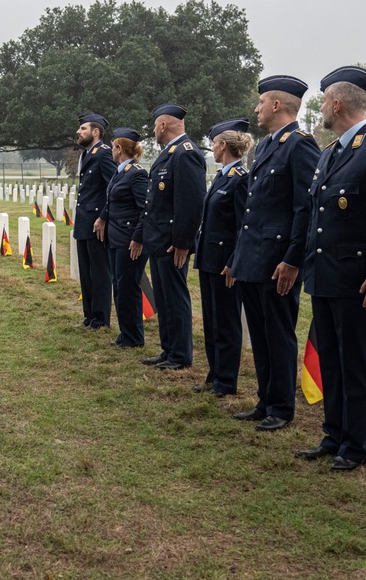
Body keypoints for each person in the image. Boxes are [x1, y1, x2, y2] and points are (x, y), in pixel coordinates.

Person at [296, 67, 366, 470]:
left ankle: (355, 446)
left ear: (337, 104)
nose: (322, 109)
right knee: (332, 360)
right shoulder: (331, 153)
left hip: (360, 282)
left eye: (324, 101)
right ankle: (334, 434)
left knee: (357, 364)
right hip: (326, 276)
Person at [230, 76, 320, 430]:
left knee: (278, 335)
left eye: (261, 102)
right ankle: (265, 399)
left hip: (278, 260)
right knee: (261, 333)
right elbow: (254, 208)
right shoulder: (267, 146)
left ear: (277, 105)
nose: (257, 108)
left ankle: (281, 407)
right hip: (254, 258)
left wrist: (293, 259)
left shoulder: (300, 146)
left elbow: (304, 208)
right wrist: (239, 258)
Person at [131, 103, 206, 370]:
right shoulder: (169, 154)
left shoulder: (185, 154)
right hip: (158, 240)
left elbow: (191, 203)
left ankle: (180, 354)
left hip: (173, 243)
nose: (153, 130)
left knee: (175, 298)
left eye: (155, 125)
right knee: (163, 298)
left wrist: (183, 242)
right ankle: (168, 349)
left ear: (163, 125)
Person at [193, 118, 251, 397]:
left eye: (214, 143)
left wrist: (234, 261)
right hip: (208, 258)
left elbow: (242, 226)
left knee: (226, 322)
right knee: (211, 319)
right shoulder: (221, 176)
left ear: (223, 145)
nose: (212, 149)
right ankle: (214, 372)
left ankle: (226, 380)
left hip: (224, 262)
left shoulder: (240, 180)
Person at [95, 127, 149, 349]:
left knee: (128, 288)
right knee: (120, 286)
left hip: (129, 241)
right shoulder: (121, 171)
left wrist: (138, 238)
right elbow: (113, 199)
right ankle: (125, 334)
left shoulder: (137, 173)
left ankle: (133, 337)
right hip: (116, 238)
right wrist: (103, 218)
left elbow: (145, 209)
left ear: (118, 149)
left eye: (113, 146)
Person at [73, 113, 116, 330]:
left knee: (98, 272)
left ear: (95, 132)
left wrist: (103, 217)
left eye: (83, 129)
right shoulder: (88, 154)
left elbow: (113, 189)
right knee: (86, 271)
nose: (78, 132)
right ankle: (89, 316)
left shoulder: (103, 155)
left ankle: (100, 318)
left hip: (96, 223)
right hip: (84, 222)